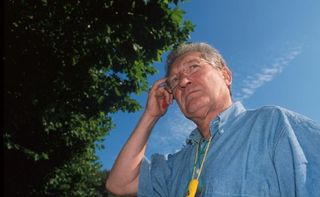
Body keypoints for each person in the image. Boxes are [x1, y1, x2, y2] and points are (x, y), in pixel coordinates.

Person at [106, 42, 320, 197]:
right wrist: (150, 116)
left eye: (194, 67)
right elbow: (119, 184)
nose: (183, 81)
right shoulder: (177, 164)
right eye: (174, 80)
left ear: (226, 76)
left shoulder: (272, 125)